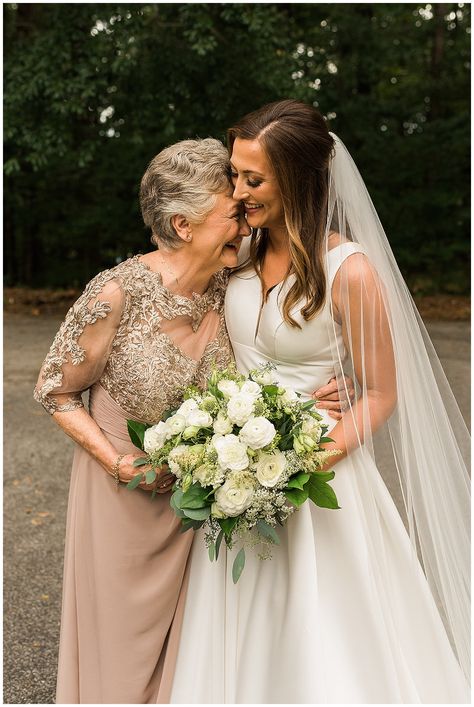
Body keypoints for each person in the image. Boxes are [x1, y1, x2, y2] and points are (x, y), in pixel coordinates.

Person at [169, 100, 470, 703]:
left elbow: (381, 392)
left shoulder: (349, 272)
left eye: (253, 179)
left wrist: (301, 467)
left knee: (327, 640)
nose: (238, 192)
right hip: (233, 474)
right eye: (235, 174)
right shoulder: (239, 254)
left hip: (318, 477)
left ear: (300, 179)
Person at [35, 135, 347, 703]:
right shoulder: (117, 293)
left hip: (202, 506)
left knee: (193, 661)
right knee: (119, 659)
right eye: (233, 214)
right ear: (184, 224)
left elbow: (285, 351)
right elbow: (56, 391)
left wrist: (321, 394)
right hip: (121, 501)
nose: (248, 225)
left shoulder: (235, 287)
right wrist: (117, 462)